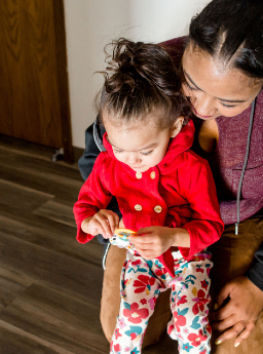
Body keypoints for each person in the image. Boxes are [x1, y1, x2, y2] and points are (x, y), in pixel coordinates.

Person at [78, 0, 263, 353]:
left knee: (233, 344)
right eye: (192, 85)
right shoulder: (157, 67)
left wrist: (261, 281)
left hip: (237, 220)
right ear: (186, 49)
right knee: (122, 326)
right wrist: (112, 222)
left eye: (228, 103)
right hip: (150, 214)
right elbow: (100, 153)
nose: (200, 107)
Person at [73, 39, 224, 354]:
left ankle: (181, 327)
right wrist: (92, 222)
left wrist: (173, 237)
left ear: (174, 128)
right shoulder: (109, 163)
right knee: (129, 319)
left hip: (188, 257)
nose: (131, 160)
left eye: (145, 150)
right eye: (118, 147)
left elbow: (211, 227)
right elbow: (85, 207)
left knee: (193, 325)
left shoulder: (192, 168)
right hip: (140, 257)